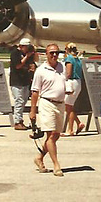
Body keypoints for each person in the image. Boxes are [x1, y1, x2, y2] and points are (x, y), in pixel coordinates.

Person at [29, 44, 67, 177]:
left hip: (60, 104)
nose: (54, 55)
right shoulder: (40, 70)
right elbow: (35, 91)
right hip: (47, 103)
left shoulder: (62, 67)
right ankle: (56, 165)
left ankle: (39, 157)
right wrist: (33, 110)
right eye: (51, 53)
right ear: (46, 54)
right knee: (50, 136)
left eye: (56, 52)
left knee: (56, 135)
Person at [9, 38, 36, 130]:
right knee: (19, 101)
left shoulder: (28, 54)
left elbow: (32, 64)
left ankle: (20, 119)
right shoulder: (15, 53)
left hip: (25, 80)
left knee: (23, 101)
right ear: (21, 46)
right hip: (17, 81)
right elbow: (18, 65)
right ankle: (17, 121)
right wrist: (27, 57)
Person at [63, 42, 85, 136]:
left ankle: (70, 129)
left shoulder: (69, 59)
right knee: (69, 106)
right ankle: (78, 122)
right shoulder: (78, 59)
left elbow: (68, 73)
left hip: (71, 82)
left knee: (68, 106)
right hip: (78, 82)